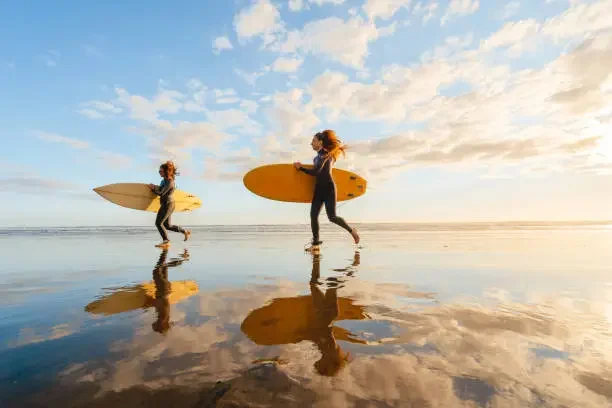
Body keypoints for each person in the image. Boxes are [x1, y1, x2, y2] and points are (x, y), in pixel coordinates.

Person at [293, 130, 359, 251]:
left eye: (313, 141)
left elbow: (316, 172)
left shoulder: (326, 155)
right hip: (318, 190)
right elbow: (316, 173)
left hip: (329, 189)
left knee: (332, 217)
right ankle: (316, 244)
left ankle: (351, 230)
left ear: (320, 142)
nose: (311, 143)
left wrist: (301, 168)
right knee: (313, 216)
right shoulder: (315, 158)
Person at [148, 160, 191, 248]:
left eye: (161, 171)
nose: (159, 172)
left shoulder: (170, 182)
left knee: (158, 223)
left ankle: (166, 241)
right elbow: (160, 189)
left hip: (168, 204)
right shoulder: (164, 181)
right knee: (167, 225)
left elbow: (161, 192)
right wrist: (155, 187)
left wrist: (153, 189)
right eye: (159, 171)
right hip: (166, 204)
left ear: (166, 171)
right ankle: (185, 232)